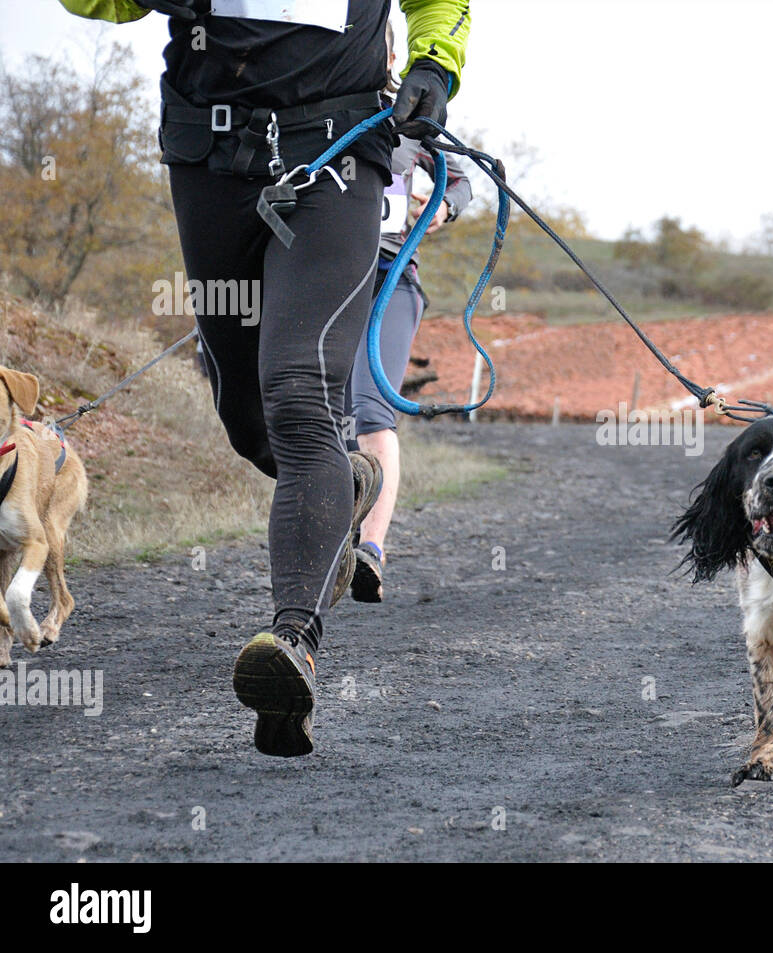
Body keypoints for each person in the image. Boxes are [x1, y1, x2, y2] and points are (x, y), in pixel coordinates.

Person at [57, 0, 471, 757]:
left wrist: (435, 65)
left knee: (298, 393)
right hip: (209, 151)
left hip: (339, 151)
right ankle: (339, 486)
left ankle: (293, 644)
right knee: (247, 416)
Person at [347, 20, 473, 603]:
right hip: (324, 277)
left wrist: (442, 203)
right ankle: (329, 529)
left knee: (373, 410)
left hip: (393, 278)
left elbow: (465, 181)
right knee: (314, 411)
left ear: (393, 53)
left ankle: (371, 546)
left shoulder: (412, 117)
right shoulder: (318, 111)